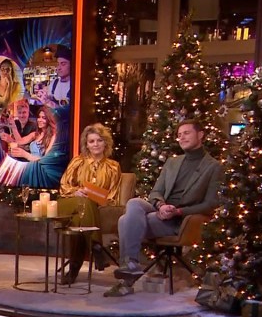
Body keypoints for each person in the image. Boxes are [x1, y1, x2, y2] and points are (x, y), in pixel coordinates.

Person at [106, 119, 223, 297]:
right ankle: (130, 265)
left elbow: (211, 204)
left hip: (180, 220)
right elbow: (156, 192)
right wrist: (161, 205)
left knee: (124, 220)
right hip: (160, 211)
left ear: (200, 135)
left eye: (186, 133)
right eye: (179, 135)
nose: (181, 138)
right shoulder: (172, 162)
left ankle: (127, 278)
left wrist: (178, 211)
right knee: (134, 202)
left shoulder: (213, 167)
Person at [57, 123, 121, 284]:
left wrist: (95, 198)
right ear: (86, 144)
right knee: (83, 201)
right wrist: (76, 192)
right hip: (69, 203)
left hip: (92, 208)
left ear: (106, 143)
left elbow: (113, 195)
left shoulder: (113, 167)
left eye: (99, 140)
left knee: (80, 218)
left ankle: (74, 268)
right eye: (91, 141)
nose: (95, 144)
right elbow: (64, 185)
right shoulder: (77, 161)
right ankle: (96, 247)